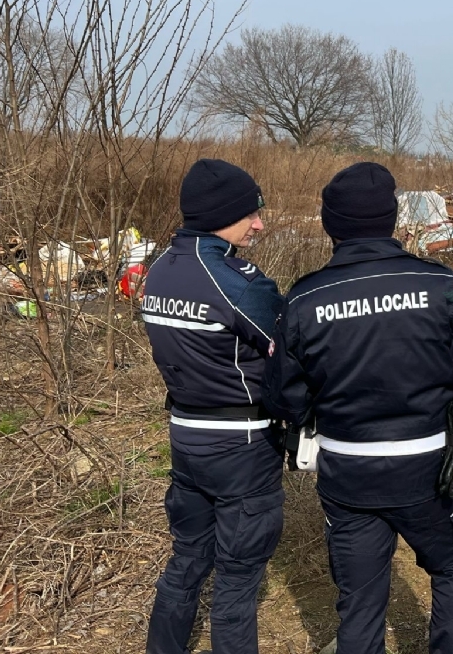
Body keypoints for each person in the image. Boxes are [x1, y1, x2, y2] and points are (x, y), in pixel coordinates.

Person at [263, 162, 453, 654]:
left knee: (359, 597)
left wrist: (326, 419)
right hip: (432, 470)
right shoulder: (441, 287)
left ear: (331, 225)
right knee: (452, 566)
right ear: (392, 219)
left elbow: (283, 395)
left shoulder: (305, 299)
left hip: (349, 473)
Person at [143, 159, 285, 654]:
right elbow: (291, 357)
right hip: (242, 446)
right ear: (222, 215)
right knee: (237, 580)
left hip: (186, 438)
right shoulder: (235, 280)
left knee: (186, 561)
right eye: (251, 212)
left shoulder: (160, 270)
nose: (259, 223)